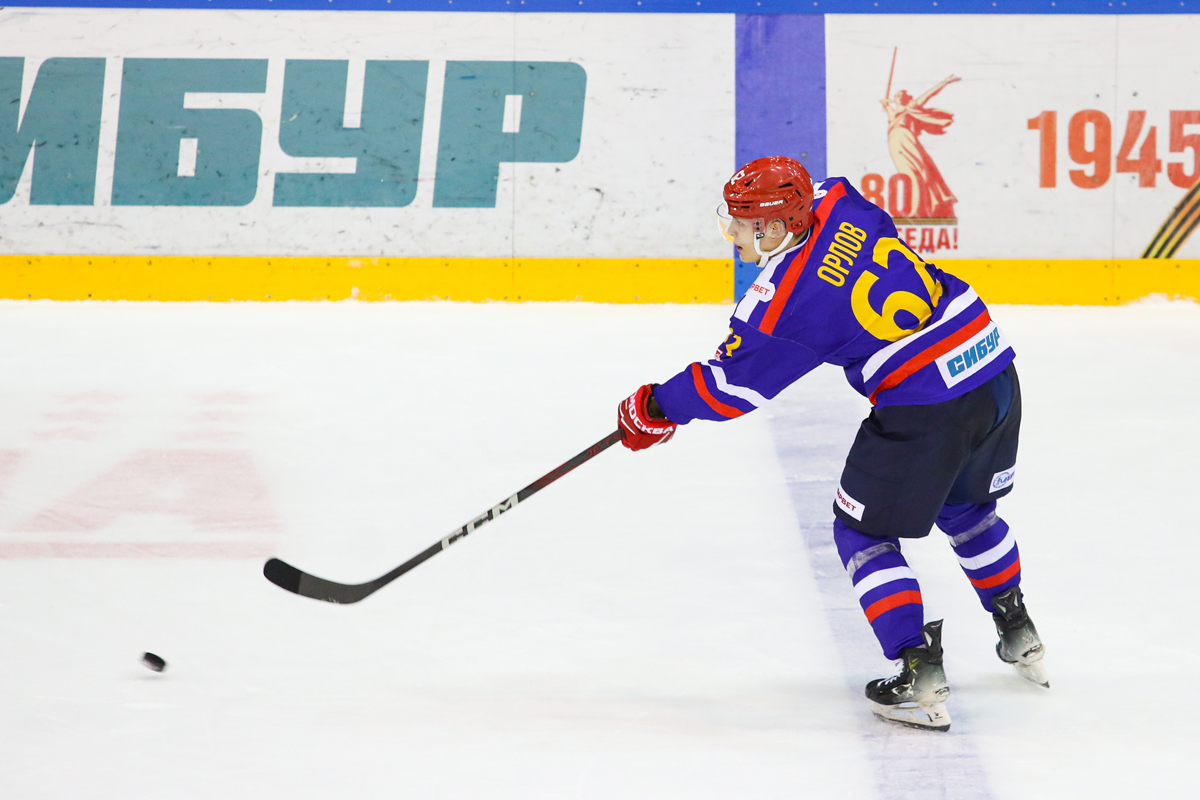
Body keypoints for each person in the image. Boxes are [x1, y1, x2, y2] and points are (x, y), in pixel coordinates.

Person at [616, 156, 1046, 732]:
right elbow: (814, 201)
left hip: (926, 403)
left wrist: (655, 407)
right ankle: (1017, 628)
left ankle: (918, 670)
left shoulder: (782, 307)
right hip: (990, 367)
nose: (732, 232)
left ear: (776, 227)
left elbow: (730, 389)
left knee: (862, 533)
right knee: (966, 508)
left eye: (743, 223)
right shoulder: (836, 199)